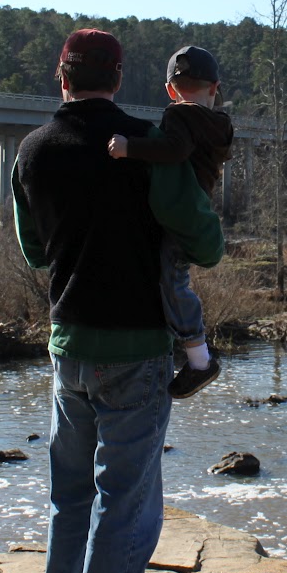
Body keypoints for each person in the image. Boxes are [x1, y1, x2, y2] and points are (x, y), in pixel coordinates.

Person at [12, 28, 224, 573]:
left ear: (62, 77)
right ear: (119, 77)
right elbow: (205, 242)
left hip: (68, 346)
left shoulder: (31, 151)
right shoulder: (147, 144)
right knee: (125, 507)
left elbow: (35, 252)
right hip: (134, 350)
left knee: (71, 495)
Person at [106, 44, 234, 399]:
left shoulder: (178, 115)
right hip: (197, 210)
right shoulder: (222, 126)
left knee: (172, 280)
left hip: (180, 214)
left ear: (169, 90)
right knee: (174, 275)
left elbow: (175, 150)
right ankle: (195, 354)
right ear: (214, 88)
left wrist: (130, 148)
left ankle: (200, 359)